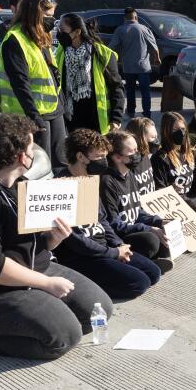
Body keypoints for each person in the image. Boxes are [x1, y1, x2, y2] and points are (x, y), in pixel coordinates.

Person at [0, 114, 112, 360]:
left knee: (98, 311)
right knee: (63, 337)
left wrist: (53, 239)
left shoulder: (17, 184)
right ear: (21, 157)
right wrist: (45, 284)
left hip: (30, 269)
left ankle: (25, 320)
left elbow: (30, 243)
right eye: (31, 146)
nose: (34, 151)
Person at [56, 128, 161, 300]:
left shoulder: (88, 180)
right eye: (99, 157)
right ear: (81, 157)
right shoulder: (60, 187)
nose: (104, 162)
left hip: (103, 246)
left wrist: (119, 245)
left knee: (153, 273)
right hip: (82, 256)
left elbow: (102, 220)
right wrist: (112, 253)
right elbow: (76, 241)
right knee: (139, 283)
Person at [0, 0, 66, 173]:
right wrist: (34, 117)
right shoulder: (15, 40)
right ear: (34, 13)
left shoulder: (39, 36)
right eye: (47, 16)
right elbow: (20, 83)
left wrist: (62, 105)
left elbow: (50, 74)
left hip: (53, 112)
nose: (51, 20)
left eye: (53, 16)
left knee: (60, 163)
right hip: (30, 116)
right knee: (38, 168)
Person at [99, 130, 173, 270]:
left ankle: (148, 260)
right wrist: (149, 229)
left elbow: (136, 210)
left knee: (166, 239)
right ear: (117, 157)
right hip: (120, 237)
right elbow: (113, 224)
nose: (137, 154)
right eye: (131, 151)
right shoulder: (107, 181)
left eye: (136, 149)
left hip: (132, 228)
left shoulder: (129, 174)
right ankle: (142, 264)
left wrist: (158, 221)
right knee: (151, 240)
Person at [55, 13, 124, 134]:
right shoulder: (61, 52)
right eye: (58, 30)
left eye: (63, 30)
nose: (59, 34)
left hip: (95, 118)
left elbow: (116, 87)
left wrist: (116, 118)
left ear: (77, 32)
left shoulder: (102, 53)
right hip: (70, 117)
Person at [107, 7, 160, 119]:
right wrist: (157, 58)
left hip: (128, 67)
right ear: (136, 17)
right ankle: (147, 114)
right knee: (145, 91)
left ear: (124, 18)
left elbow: (112, 47)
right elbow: (154, 46)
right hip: (143, 68)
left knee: (130, 91)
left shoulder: (120, 30)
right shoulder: (144, 29)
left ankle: (131, 112)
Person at [121, 117, 159, 196]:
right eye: (152, 137)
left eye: (156, 137)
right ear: (140, 139)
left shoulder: (145, 156)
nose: (156, 141)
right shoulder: (130, 162)